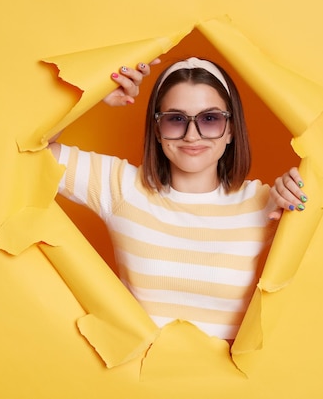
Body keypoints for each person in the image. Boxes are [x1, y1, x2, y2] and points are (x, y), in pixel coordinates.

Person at [49, 57, 308, 341]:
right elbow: (35, 150)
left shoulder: (265, 203)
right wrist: (92, 94)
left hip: (229, 382)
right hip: (132, 380)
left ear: (231, 129)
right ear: (157, 130)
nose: (192, 135)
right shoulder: (120, 186)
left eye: (210, 119)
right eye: (176, 119)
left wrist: (298, 191)